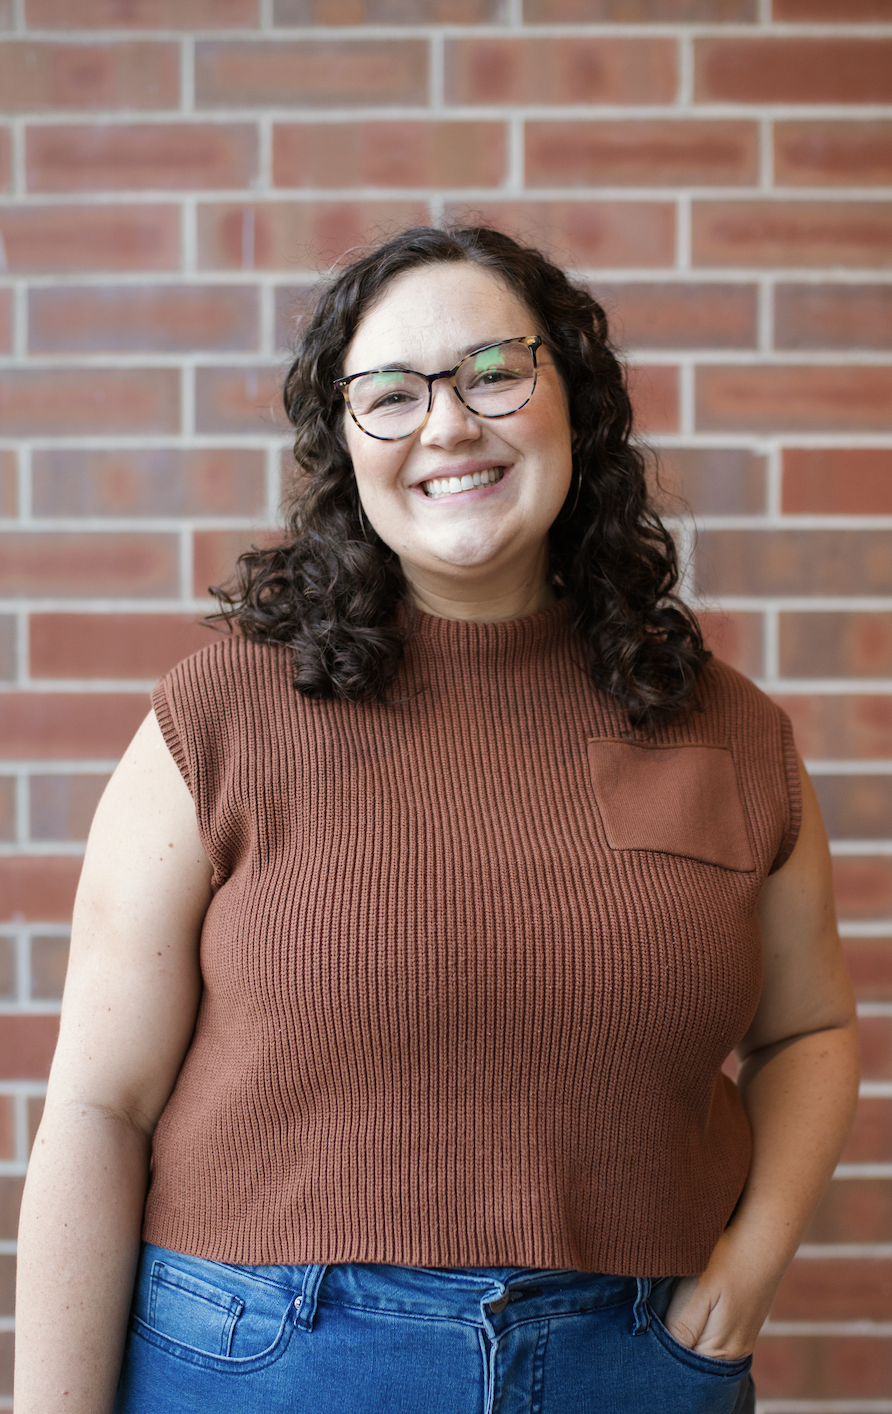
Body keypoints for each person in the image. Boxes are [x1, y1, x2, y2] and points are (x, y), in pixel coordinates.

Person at [15, 226, 858, 1414]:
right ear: (344, 443)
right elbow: (98, 1110)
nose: (448, 425)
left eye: (494, 372)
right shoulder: (220, 716)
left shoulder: (728, 727)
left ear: (575, 401)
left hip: (631, 1368)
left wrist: (749, 1268)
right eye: (391, 394)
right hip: (270, 1363)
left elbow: (811, 1030)